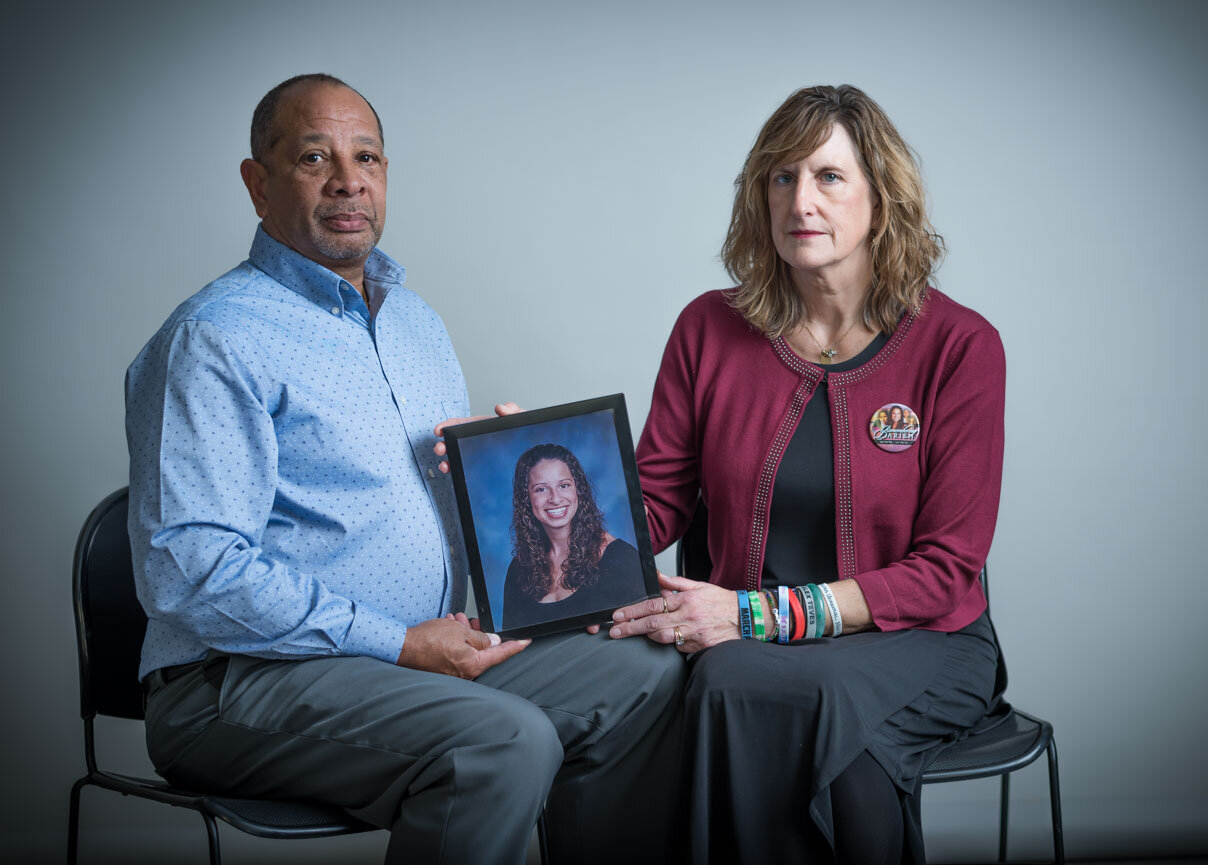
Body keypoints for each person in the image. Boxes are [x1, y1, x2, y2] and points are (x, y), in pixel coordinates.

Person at [125, 73, 683, 865]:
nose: (349, 180)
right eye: (316, 157)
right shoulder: (214, 338)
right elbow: (192, 572)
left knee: (645, 672)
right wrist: (396, 645)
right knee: (503, 742)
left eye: (368, 158)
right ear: (257, 184)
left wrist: (504, 486)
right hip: (236, 681)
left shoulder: (418, 324)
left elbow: (426, 516)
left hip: (421, 661)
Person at [608, 84, 1007, 864]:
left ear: (881, 198)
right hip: (752, 648)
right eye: (781, 177)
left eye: (828, 176)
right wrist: (524, 471)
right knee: (764, 704)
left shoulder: (962, 346)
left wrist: (755, 617)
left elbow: (946, 569)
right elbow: (652, 503)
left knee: (796, 705)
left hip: (923, 637)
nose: (801, 200)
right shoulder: (707, 328)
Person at [501, 443, 643, 630]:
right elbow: (511, 646)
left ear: (578, 490)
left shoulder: (623, 559)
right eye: (541, 489)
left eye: (564, 485)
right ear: (526, 498)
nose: (556, 498)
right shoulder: (518, 570)